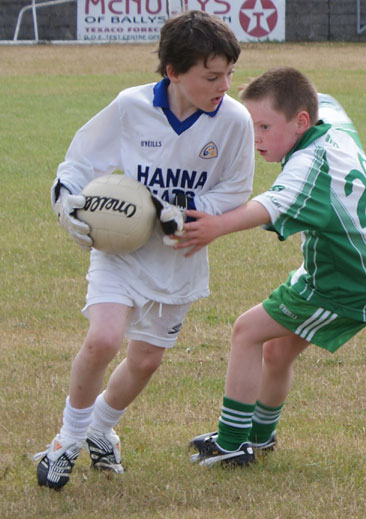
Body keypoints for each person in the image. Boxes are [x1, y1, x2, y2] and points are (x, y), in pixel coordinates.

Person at [34, 10, 254, 489]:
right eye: (212, 76)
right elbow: (79, 161)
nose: (224, 86)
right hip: (122, 250)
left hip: (180, 258)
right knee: (103, 339)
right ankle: (66, 441)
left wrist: (188, 208)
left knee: (145, 360)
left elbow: (236, 191)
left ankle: (102, 430)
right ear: (173, 72)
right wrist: (63, 198)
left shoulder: (234, 121)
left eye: (229, 75)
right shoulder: (131, 106)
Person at [177, 67, 366, 467]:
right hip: (345, 268)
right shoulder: (328, 123)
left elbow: (271, 204)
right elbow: (324, 99)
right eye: (251, 126)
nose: (255, 138)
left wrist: (213, 227)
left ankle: (231, 443)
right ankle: (259, 437)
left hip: (349, 280)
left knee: (246, 331)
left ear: (300, 122)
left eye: (264, 127)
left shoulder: (307, 166)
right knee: (277, 350)